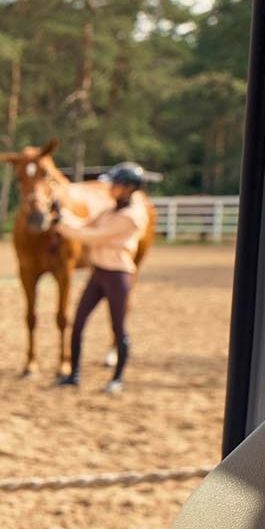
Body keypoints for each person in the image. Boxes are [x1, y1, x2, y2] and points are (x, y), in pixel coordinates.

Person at [62, 161, 154, 394]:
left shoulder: (131, 217)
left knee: (118, 328)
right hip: (99, 273)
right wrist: (60, 214)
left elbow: (91, 236)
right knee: (78, 322)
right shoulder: (110, 210)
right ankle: (73, 374)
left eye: (114, 184)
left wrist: (59, 226)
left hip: (117, 276)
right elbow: (82, 223)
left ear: (128, 187)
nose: (110, 187)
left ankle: (117, 379)